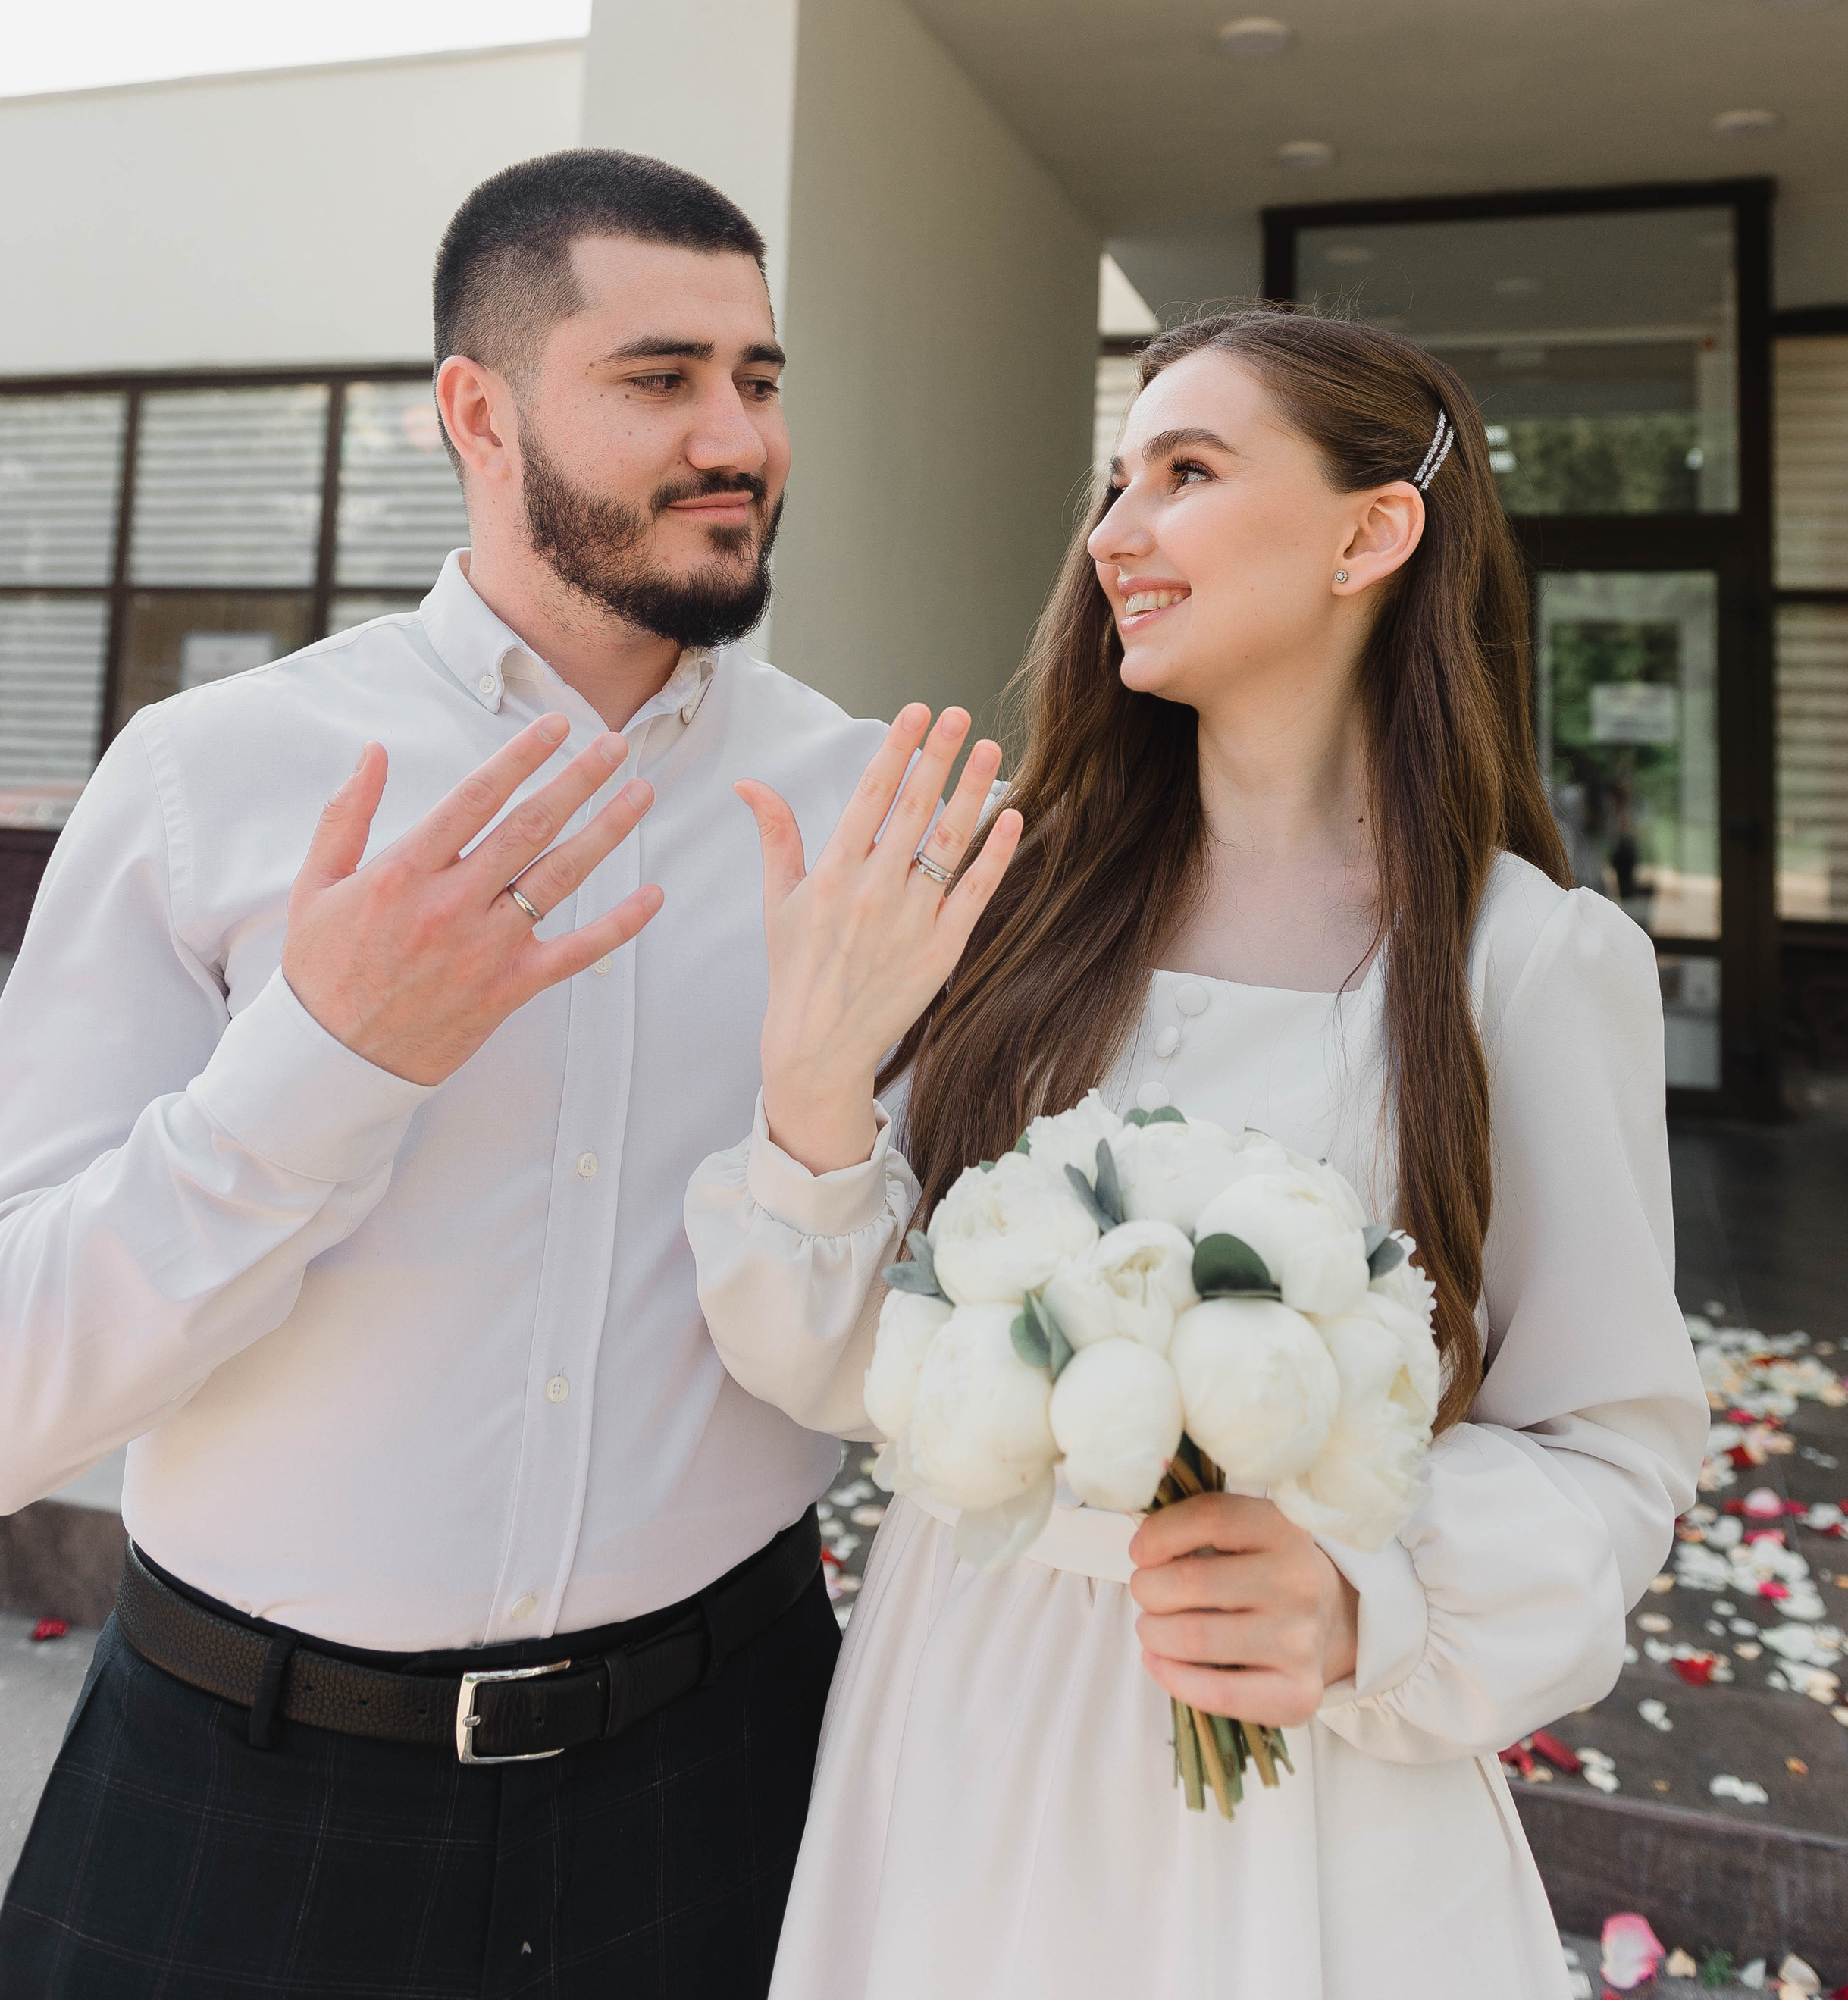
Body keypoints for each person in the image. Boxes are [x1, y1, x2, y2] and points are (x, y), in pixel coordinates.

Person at [687, 309, 1709, 1998]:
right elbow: (836, 1367)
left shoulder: (1524, 964)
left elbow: (1612, 1455)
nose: (1110, 534)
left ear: (1371, 532)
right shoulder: (1009, 907)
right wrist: (808, 1090)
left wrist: (1356, 1597)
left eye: (1184, 472)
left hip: (1291, 1778)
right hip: (957, 1711)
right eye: (1113, 481)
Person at [0, 149, 890, 1998]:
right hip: (245, 1796)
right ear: (477, 415)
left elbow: (906, 1315)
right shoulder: (212, 776)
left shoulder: (854, 806)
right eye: (659, 379)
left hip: (729, 1772)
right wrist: (323, 1066)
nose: (736, 435)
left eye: (761, 377)